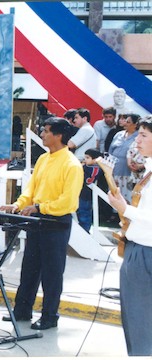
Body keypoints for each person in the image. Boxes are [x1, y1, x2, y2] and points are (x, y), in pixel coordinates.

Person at [0, 117, 82, 330]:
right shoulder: (44, 159)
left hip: (56, 223)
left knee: (52, 273)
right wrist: (18, 204)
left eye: (46, 131)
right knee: (29, 268)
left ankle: (49, 317)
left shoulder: (72, 165)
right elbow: (31, 189)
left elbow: (68, 201)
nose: (43, 134)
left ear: (59, 135)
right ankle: (22, 311)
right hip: (37, 220)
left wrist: (39, 207)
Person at [107, 116, 152, 356]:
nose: (138, 141)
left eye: (144, 135)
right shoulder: (148, 171)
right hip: (138, 250)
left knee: (139, 321)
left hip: (145, 253)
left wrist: (126, 210)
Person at [109, 113, 140, 203]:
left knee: (126, 197)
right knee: (114, 194)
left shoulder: (138, 137)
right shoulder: (119, 134)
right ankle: (113, 215)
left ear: (135, 124)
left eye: (128, 122)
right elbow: (110, 151)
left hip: (128, 173)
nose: (125, 123)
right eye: (125, 121)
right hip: (114, 171)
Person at [77, 148, 103, 232]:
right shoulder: (87, 166)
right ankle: (82, 229)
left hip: (86, 194)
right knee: (81, 212)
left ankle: (84, 230)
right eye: (85, 157)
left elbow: (89, 180)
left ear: (95, 159)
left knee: (84, 213)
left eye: (88, 158)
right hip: (82, 192)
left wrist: (81, 169)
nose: (85, 159)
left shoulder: (95, 168)